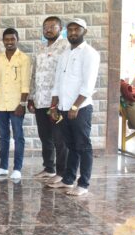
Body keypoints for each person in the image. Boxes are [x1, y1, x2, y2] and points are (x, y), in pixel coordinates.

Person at [47, 18, 100, 197]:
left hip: (80, 108)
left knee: (83, 146)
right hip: (63, 107)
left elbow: (88, 84)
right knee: (70, 145)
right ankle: (68, 180)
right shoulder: (65, 54)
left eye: (77, 29)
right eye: (70, 30)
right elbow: (57, 82)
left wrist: (75, 106)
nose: (73, 33)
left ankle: (83, 184)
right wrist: (53, 106)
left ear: (85, 31)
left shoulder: (90, 54)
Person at [29, 16, 70, 181]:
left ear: (60, 28)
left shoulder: (66, 46)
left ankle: (62, 172)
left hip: (56, 101)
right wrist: (31, 97)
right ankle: (49, 168)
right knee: (45, 136)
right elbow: (34, 73)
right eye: (45, 27)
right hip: (40, 100)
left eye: (52, 26)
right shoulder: (40, 47)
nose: (48, 29)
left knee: (59, 138)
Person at [0, 28, 31, 179]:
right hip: (1, 103)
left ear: (17, 40)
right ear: (3, 41)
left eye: (12, 39)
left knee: (18, 136)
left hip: (16, 104)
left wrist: (22, 104)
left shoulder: (24, 59)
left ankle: (17, 168)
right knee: (3, 136)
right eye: (6, 39)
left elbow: (25, 83)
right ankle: (3, 167)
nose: (9, 42)